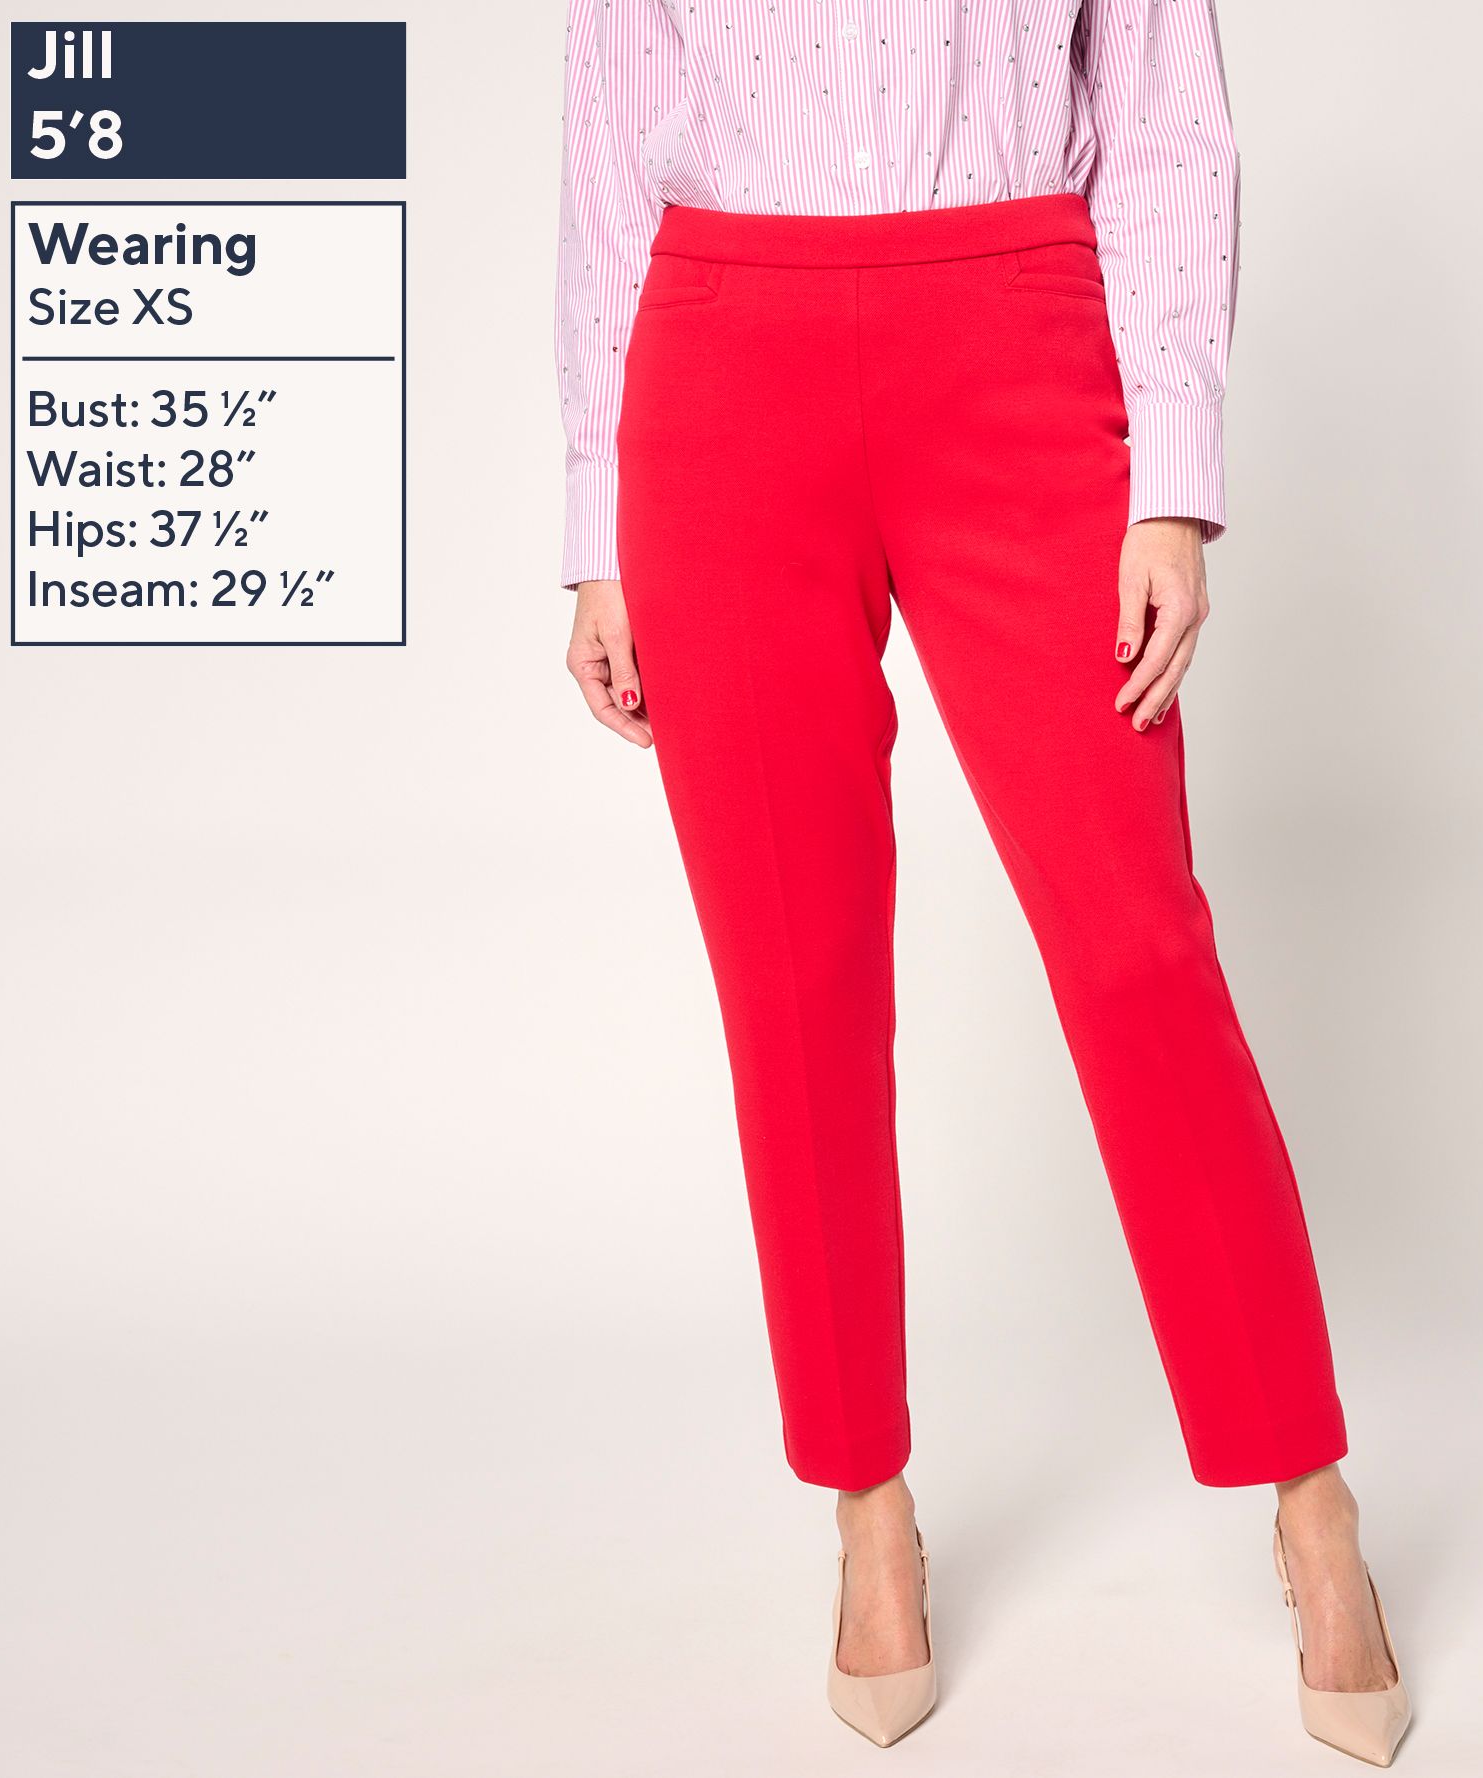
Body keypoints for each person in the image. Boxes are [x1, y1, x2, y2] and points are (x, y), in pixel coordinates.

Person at [553, 2, 1410, 1762]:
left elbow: (1165, 117)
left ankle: (1311, 1500)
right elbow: (608, 131)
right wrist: (595, 527)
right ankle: (867, 1510)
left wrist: (1169, 478)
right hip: (719, 355)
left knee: (1135, 949)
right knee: (792, 983)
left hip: (1015, 333)